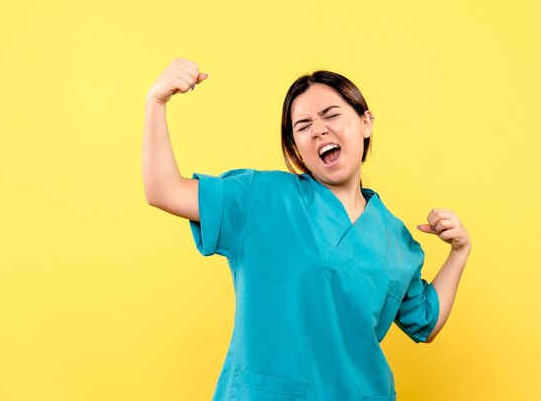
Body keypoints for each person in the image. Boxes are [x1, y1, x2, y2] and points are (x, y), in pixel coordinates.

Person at [142, 57, 472, 400]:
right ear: (295, 149)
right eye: (303, 126)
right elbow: (164, 191)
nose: (319, 129)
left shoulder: (397, 239)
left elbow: (426, 322)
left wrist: (459, 252)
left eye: (331, 115)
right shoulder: (260, 198)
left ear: (365, 123)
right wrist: (157, 102)